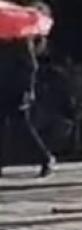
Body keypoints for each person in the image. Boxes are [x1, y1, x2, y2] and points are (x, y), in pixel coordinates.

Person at [0, 38, 54, 178]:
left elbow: (31, 66)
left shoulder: (20, 42)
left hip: (16, 89)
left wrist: (28, 90)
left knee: (22, 126)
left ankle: (45, 158)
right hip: (2, 88)